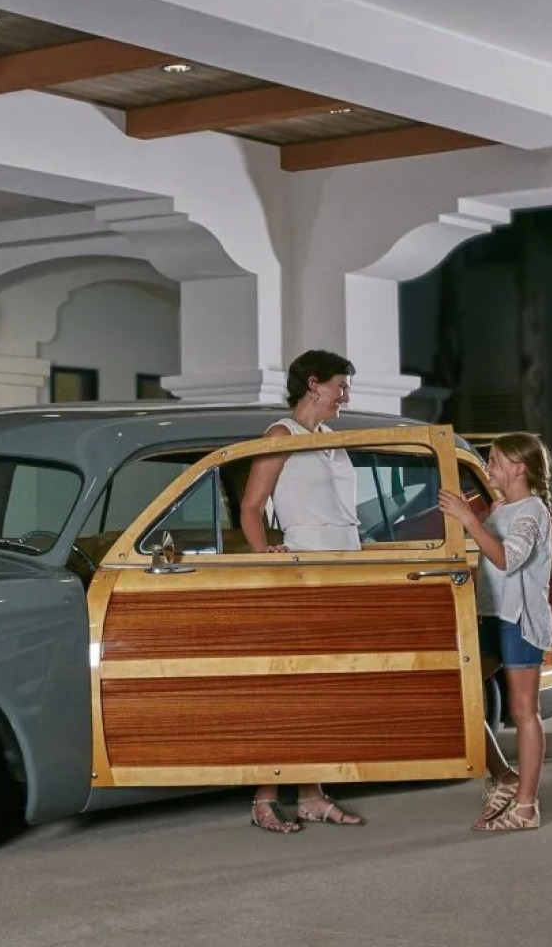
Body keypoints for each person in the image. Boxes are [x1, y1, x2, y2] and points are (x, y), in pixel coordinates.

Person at [235, 348, 364, 833]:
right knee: (292, 687)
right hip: (302, 570)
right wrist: (264, 552)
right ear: (313, 384)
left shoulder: (330, 438)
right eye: (340, 386)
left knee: (324, 690)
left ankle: (312, 794)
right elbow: (252, 506)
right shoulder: (280, 435)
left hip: (343, 570)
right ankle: (265, 797)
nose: (344, 396)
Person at [436, 433, 552, 832]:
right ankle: (504, 776)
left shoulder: (531, 512)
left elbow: (506, 559)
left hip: (519, 618)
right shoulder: (504, 509)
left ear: (519, 468)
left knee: (524, 711)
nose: (489, 467)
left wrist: (468, 519)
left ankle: (526, 806)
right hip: (491, 616)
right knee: (461, 693)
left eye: (495, 459)